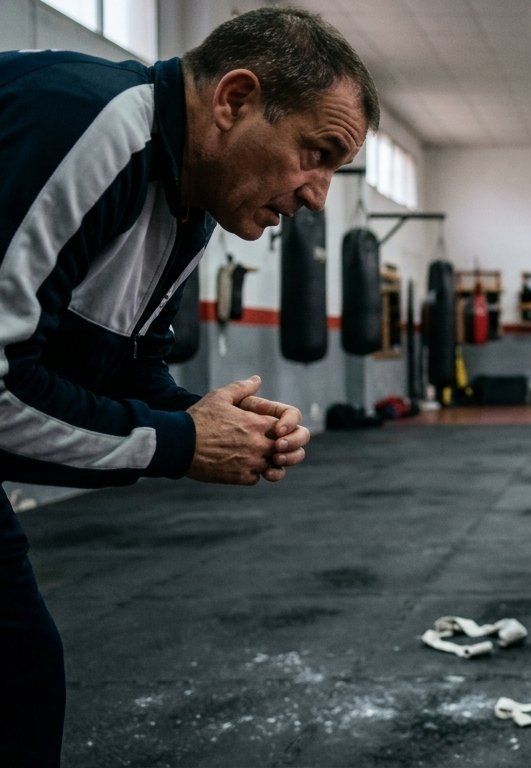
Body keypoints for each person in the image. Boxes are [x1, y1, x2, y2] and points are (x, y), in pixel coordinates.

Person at [0, 8, 377, 763]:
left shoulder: (188, 208)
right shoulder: (96, 124)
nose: (318, 197)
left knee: (19, 671)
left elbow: (127, 371)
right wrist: (181, 440)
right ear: (233, 100)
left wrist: (213, 421)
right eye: (316, 153)